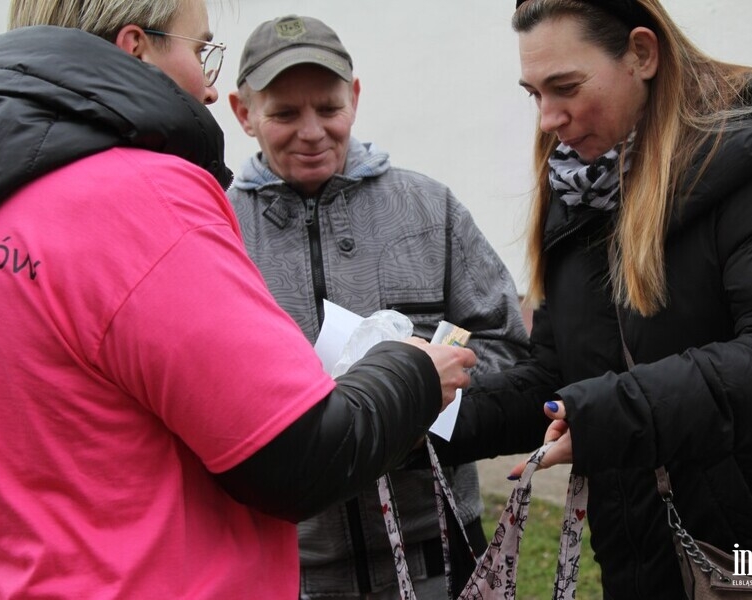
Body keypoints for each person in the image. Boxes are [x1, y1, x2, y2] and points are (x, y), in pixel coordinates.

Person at [0, 1, 477, 597]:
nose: (210, 90)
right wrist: (411, 366)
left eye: (329, 107)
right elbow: (297, 456)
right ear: (135, 47)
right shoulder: (145, 199)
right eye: (201, 52)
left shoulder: (10, 189)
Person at [440, 0, 752, 598]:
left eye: (566, 87)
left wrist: (611, 416)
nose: (548, 118)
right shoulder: (581, 188)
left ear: (642, 52)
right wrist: (426, 411)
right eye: (534, 93)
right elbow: (558, 378)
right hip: (643, 560)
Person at [226, 15, 532, 600]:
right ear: (244, 113)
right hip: (290, 567)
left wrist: (423, 400)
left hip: (437, 549)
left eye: (328, 107)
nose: (312, 131)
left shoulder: (428, 208)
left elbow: (507, 347)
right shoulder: (218, 230)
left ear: (356, 97)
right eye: (285, 114)